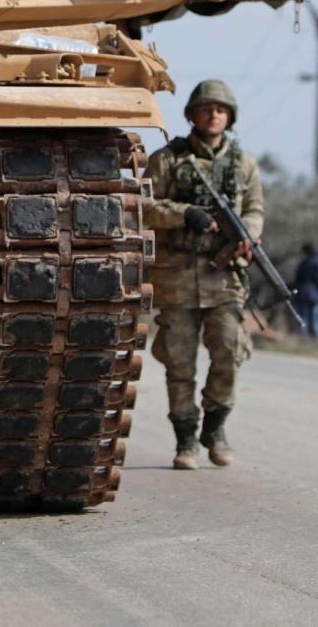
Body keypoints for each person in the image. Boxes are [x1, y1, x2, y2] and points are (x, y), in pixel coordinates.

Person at [147, 80, 263, 470]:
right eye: (206, 108)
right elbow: (144, 206)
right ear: (193, 114)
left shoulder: (244, 164)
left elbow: (256, 210)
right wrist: (184, 214)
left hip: (225, 278)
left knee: (229, 351)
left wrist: (249, 235)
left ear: (229, 117)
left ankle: (215, 430)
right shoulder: (168, 160)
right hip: (177, 276)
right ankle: (186, 442)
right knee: (179, 363)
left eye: (221, 109)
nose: (213, 114)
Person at [294, 243, 318, 337]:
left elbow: (297, 279)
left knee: (303, 318)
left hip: (303, 294)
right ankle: (315, 341)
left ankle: (303, 340)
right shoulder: (315, 262)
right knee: (315, 319)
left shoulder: (303, 263)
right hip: (314, 295)